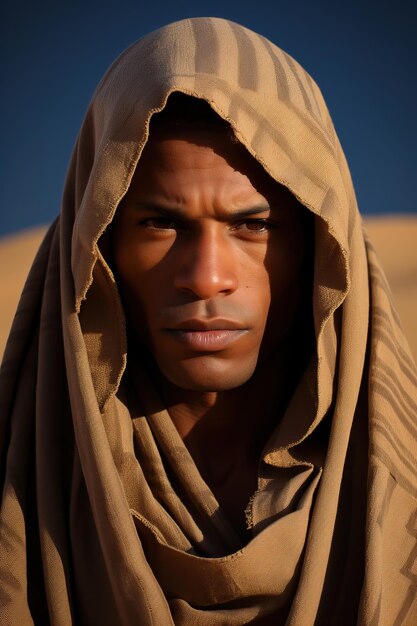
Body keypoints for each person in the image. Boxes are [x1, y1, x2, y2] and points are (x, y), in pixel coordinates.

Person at [0, 17, 416, 626]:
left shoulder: (392, 486)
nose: (205, 275)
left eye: (255, 225)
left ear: (321, 248)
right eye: (160, 223)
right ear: (99, 249)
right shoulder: (32, 484)